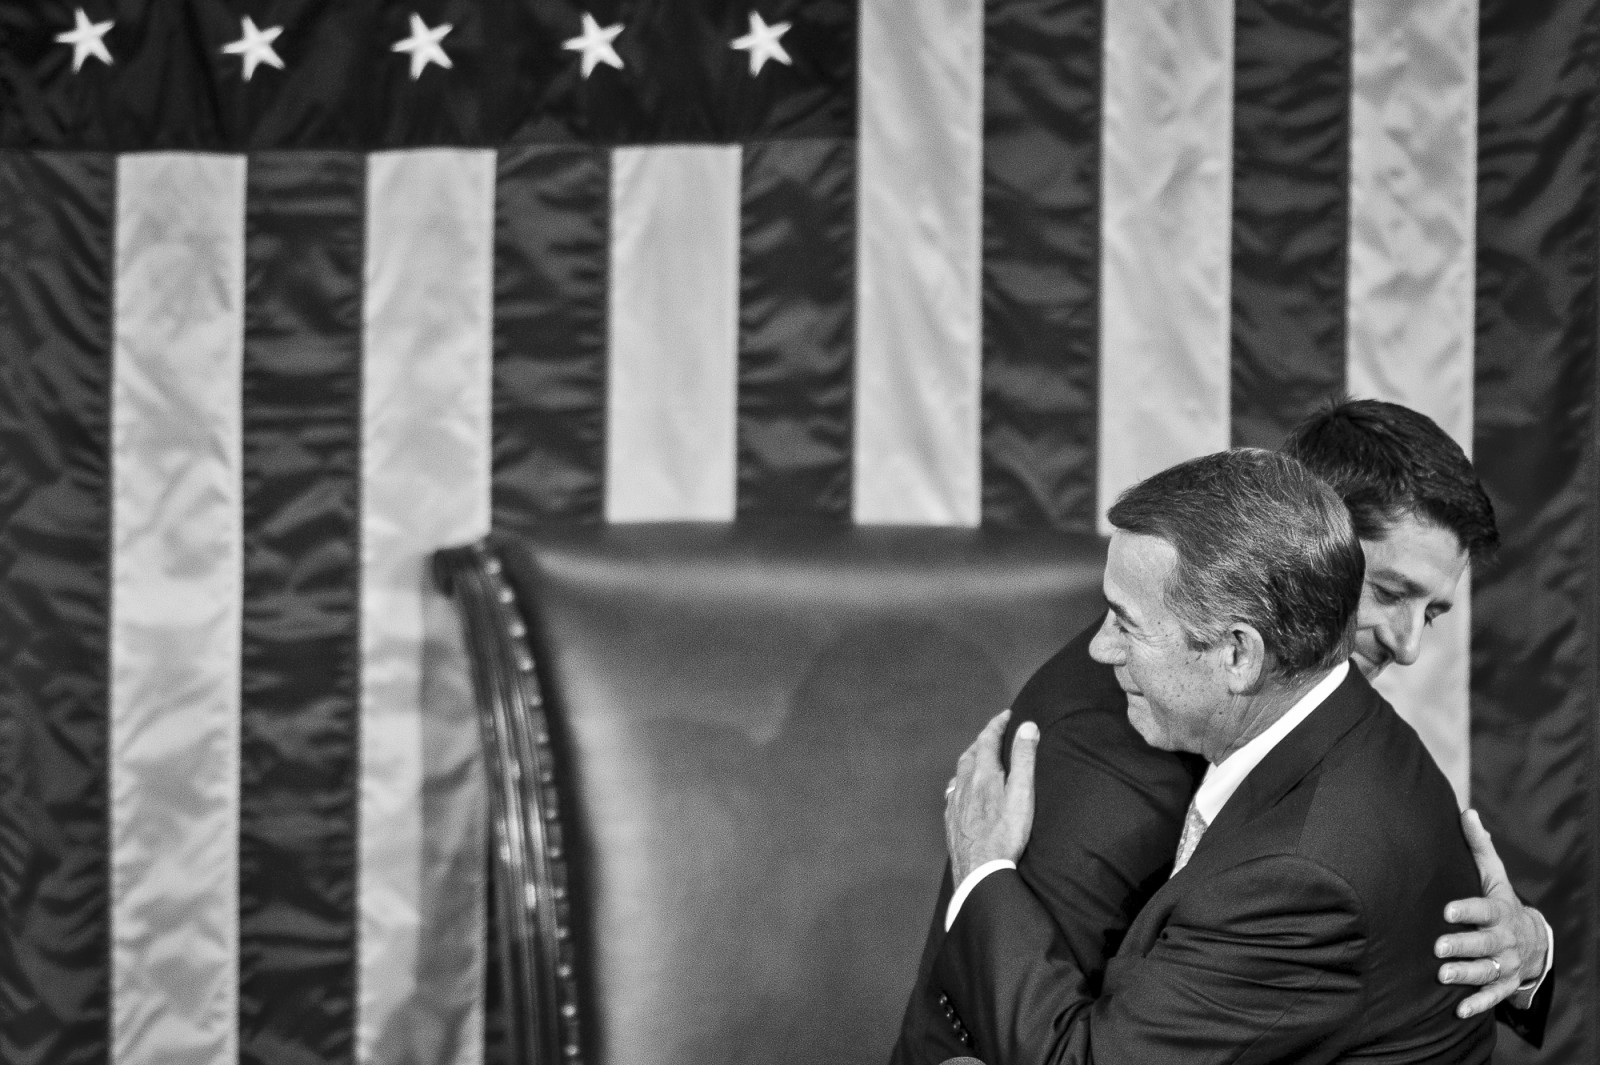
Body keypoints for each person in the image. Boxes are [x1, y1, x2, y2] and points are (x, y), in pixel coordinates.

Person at [890, 401, 1551, 1064]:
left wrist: (1532, 952)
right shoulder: (1114, 735)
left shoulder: (1327, 774)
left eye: (1430, 611)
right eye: (1387, 589)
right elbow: (1022, 1021)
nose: (1408, 646)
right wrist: (982, 873)